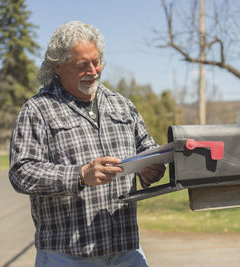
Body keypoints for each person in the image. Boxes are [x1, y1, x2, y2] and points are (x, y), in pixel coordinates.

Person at [9, 21, 166, 266]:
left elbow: (147, 148)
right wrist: (80, 175)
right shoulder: (37, 110)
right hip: (67, 255)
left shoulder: (122, 104)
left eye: (96, 61)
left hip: (126, 249)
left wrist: (151, 169)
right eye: (82, 65)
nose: (93, 71)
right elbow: (22, 172)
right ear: (57, 66)